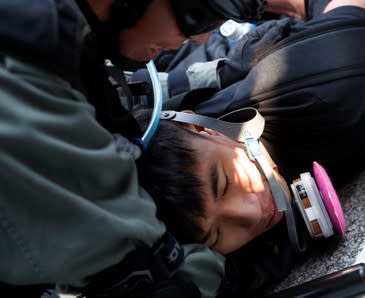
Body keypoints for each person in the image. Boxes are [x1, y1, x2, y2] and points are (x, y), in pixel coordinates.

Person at [130, 0, 365, 296]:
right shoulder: (206, 258)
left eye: (225, 182)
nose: (252, 212)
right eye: (215, 235)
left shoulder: (318, 91)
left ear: (202, 129)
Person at [0, 0, 313, 297]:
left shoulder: (52, 36)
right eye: (200, 9)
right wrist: (244, 265)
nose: (203, 37)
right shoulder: (22, 74)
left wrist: (219, 73)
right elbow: (158, 280)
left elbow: (126, 88)